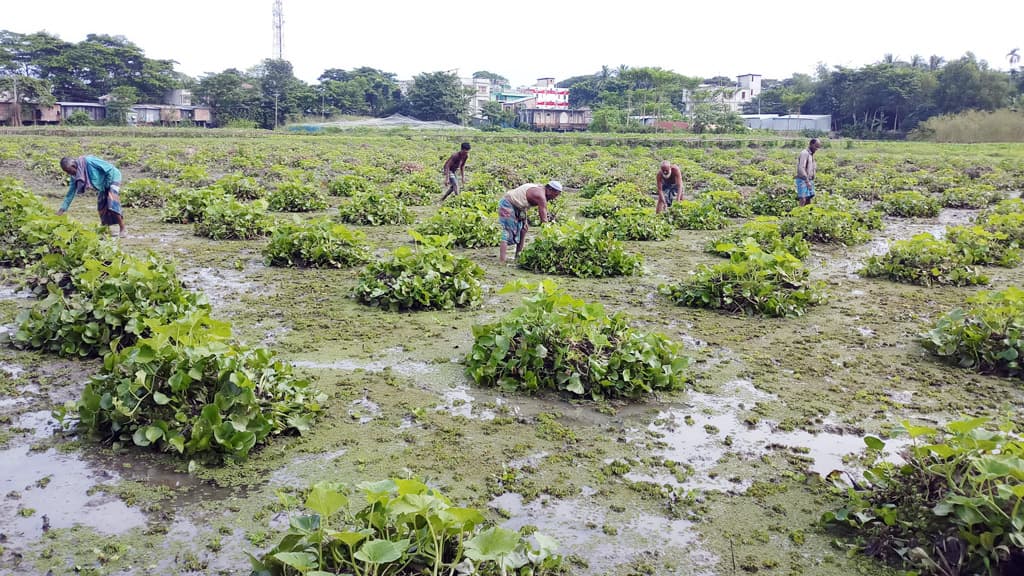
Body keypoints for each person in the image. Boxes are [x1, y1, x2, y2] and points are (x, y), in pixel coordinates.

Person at [57, 155, 126, 237]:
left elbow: (109, 168)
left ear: (73, 166)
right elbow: (70, 193)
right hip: (102, 185)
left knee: (111, 202)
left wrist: (108, 187)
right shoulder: (74, 176)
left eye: (69, 171)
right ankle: (105, 229)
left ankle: (123, 228)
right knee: (101, 206)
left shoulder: (89, 161)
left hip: (113, 178)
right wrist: (62, 209)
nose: (69, 173)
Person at [498, 180, 562, 264]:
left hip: (520, 207)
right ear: (550, 189)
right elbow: (543, 216)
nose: (555, 197)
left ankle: (518, 257)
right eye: (555, 194)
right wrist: (548, 232)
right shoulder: (540, 195)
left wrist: (525, 221)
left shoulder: (540, 189)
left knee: (524, 229)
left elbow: (524, 202)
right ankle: (501, 260)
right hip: (508, 203)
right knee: (507, 230)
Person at [795, 138, 821, 206]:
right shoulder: (804, 153)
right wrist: (807, 181)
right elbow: (801, 168)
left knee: (809, 198)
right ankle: (799, 214)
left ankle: (807, 214)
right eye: (816, 146)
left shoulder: (811, 154)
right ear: (811, 144)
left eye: (818, 147)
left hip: (809, 179)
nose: (817, 149)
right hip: (803, 179)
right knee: (803, 199)